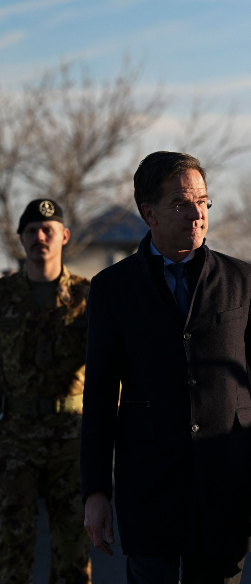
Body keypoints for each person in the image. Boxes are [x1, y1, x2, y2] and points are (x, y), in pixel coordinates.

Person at [79, 151, 251, 584]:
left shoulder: (242, 280)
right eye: (182, 204)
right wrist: (95, 492)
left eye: (203, 201)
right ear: (150, 214)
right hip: (150, 486)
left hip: (228, 485)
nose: (197, 214)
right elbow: (101, 398)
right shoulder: (112, 289)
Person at [0, 199, 91, 584]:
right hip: (17, 434)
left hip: (73, 435)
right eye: (32, 230)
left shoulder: (89, 297)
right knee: (12, 546)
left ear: (64, 237)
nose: (40, 237)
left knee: (72, 547)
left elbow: (113, 367)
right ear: (20, 239)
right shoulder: (3, 295)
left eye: (48, 230)